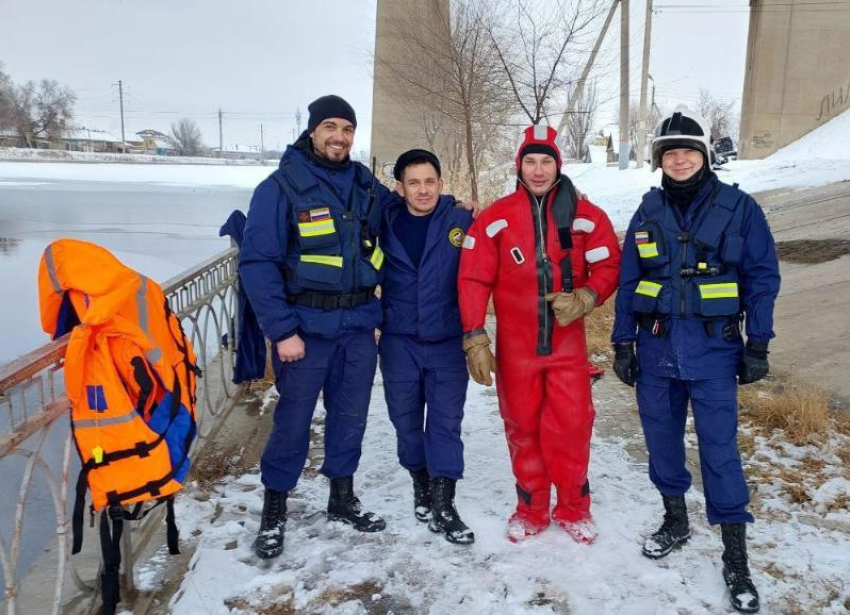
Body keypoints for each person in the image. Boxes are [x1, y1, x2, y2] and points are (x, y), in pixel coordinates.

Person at [611, 106, 780, 614]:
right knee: (661, 444)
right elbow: (626, 281)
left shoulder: (739, 208)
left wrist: (759, 343)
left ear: (703, 156)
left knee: (720, 452)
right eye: (670, 152)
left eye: (688, 151)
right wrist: (623, 343)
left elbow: (763, 277)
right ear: (659, 160)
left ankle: (735, 556)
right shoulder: (646, 212)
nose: (679, 159)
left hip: (713, 352)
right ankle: (675, 520)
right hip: (657, 350)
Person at [240, 95, 393, 559]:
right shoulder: (280, 187)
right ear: (312, 131)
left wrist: (453, 208)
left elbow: (407, 209)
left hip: (358, 327)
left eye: (347, 129)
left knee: (351, 417)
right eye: (330, 127)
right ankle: (274, 510)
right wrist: (281, 330)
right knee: (292, 421)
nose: (339, 137)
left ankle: (341, 498)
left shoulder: (365, 184)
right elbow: (258, 264)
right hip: (303, 332)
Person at [458, 125, 621, 544]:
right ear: (519, 165)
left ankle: (574, 508)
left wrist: (587, 296)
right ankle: (530, 508)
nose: (538, 170)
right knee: (522, 427)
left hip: (568, 350)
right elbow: (472, 278)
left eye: (545, 161)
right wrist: (475, 335)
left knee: (571, 426)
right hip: (517, 352)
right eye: (530, 161)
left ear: (557, 165)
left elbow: (609, 265)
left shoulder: (586, 216)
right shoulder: (495, 220)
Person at [378, 149, 474, 545]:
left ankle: (445, 501)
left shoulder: (462, 219)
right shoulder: (382, 222)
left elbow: (508, 232)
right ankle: (420, 481)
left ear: (441, 182)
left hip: (447, 341)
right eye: (413, 183)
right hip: (399, 341)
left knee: (445, 423)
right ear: (400, 188)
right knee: (405, 421)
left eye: (429, 181)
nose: (423, 190)